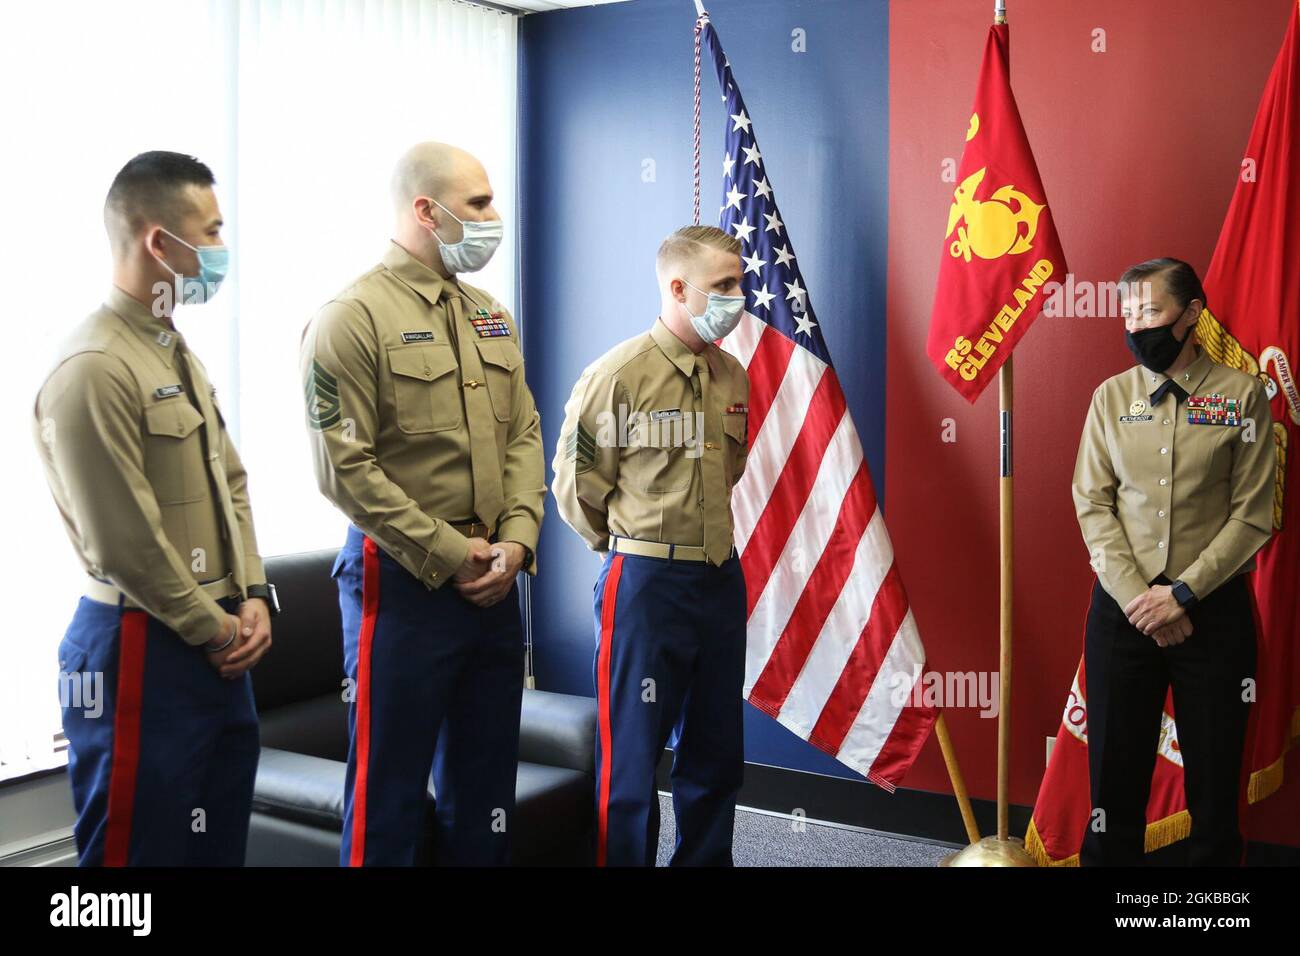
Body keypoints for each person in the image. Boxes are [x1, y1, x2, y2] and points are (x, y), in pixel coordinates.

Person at [301, 142, 544, 866]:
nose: (492, 218)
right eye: (478, 204)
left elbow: (524, 433)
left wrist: (519, 543)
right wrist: (449, 551)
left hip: (496, 580)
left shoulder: (490, 315)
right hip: (403, 583)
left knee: (485, 793)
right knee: (391, 800)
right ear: (424, 210)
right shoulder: (349, 318)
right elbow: (342, 468)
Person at [33, 151, 275, 866]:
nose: (221, 249)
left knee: (211, 846)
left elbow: (231, 481)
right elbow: (122, 541)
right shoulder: (94, 365)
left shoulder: (170, 348)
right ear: (157, 242)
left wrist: (254, 593)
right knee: (136, 863)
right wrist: (215, 629)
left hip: (210, 636)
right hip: (142, 638)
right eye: (211, 231)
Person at [552, 225, 750, 866]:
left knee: (716, 756)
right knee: (632, 760)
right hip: (644, 588)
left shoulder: (733, 376)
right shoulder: (618, 375)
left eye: (739, 281)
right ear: (677, 287)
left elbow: (730, 472)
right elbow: (575, 488)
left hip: (719, 581)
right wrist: (631, 549)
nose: (738, 296)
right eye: (723, 285)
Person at [1072, 257, 1275, 866]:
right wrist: (1145, 601)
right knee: (1114, 782)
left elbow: (1252, 515)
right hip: (1123, 616)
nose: (1137, 326)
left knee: (1214, 788)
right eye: (1128, 312)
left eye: (1151, 311)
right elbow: (1092, 503)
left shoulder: (1242, 396)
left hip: (1212, 618)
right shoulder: (1110, 398)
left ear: (1191, 315)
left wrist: (1182, 596)